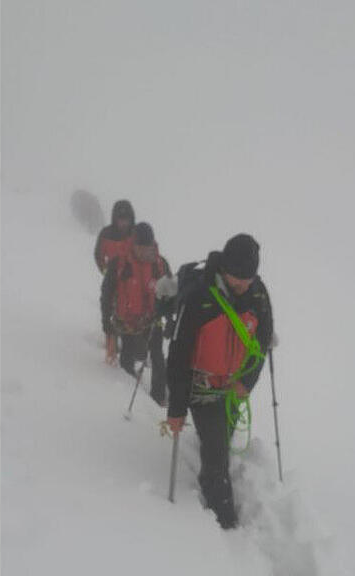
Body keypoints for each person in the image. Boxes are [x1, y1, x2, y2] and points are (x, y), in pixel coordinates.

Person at [165, 234, 273, 529]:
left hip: (233, 387)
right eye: (236, 276)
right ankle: (224, 520)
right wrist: (176, 410)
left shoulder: (258, 294)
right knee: (216, 457)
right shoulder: (199, 295)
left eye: (247, 278)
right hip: (202, 389)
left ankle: (213, 457)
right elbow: (178, 355)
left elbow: (262, 343)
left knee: (220, 439)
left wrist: (246, 383)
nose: (241, 284)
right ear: (224, 267)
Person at [101, 222, 173, 405]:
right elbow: (107, 293)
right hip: (127, 321)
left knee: (157, 357)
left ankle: (158, 398)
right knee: (127, 357)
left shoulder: (161, 265)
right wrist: (106, 322)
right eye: (140, 247)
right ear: (134, 243)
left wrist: (170, 318)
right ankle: (131, 393)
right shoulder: (119, 263)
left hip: (152, 319)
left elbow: (171, 294)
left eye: (148, 247)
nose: (144, 251)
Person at [93, 200, 135, 274]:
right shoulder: (106, 234)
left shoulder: (137, 233)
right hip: (114, 280)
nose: (124, 223)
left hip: (136, 278)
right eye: (121, 219)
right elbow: (98, 255)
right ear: (115, 219)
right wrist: (106, 273)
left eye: (126, 219)